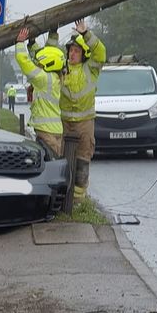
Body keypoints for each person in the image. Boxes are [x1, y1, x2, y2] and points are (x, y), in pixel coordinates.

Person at [60, 19, 106, 201]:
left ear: (83, 54)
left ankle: (78, 200)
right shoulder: (61, 69)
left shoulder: (91, 69)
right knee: (61, 158)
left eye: (76, 51)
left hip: (85, 123)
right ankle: (63, 197)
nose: (72, 54)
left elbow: (101, 53)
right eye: (70, 50)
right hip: (63, 122)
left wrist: (86, 33)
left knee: (82, 159)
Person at [15, 27, 64, 156]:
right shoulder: (56, 78)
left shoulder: (44, 79)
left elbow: (25, 62)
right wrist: (31, 44)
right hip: (56, 130)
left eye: (41, 63)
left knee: (48, 167)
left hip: (46, 132)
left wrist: (20, 43)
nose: (38, 65)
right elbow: (43, 56)